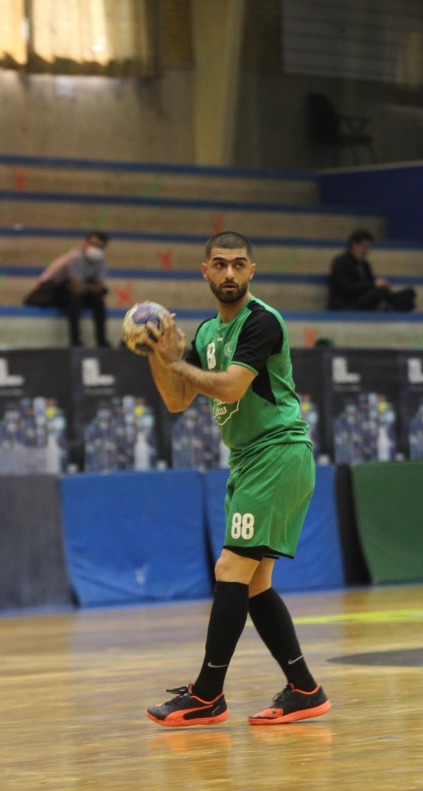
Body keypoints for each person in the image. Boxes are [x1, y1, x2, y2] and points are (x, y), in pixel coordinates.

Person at [144, 230, 331, 728]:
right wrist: (157, 357)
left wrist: (176, 363)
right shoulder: (207, 332)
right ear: (205, 270)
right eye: (221, 264)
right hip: (248, 460)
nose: (230, 273)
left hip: (278, 453)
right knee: (255, 583)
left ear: (252, 271)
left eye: (239, 264)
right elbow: (176, 400)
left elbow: (229, 388)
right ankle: (305, 689)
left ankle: (207, 695)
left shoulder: (262, 321)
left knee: (231, 568)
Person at [30, 231, 111, 347]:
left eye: (100, 247)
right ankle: (75, 340)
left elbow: (99, 286)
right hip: (50, 291)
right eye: (93, 244)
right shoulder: (76, 258)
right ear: (86, 243)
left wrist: (90, 287)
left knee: (98, 301)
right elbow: (76, 287)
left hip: (74, 291)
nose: (96, 249)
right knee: (76, 299)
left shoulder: (101, 261)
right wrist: (93, 287)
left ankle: (101, 340)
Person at [328, 229, 416, 312]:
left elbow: (369, 282)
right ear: (354, 245)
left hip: (365, 298)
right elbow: (347, 288)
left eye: (368, 247)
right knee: (382, 293)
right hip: (349, 302)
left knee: (409, 293)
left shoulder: (364, 264)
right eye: (364, 247)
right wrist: (374, 284)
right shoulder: (341, 263)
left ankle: (392, 306)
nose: (366, 251)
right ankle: (392, 306)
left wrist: (377, 284)